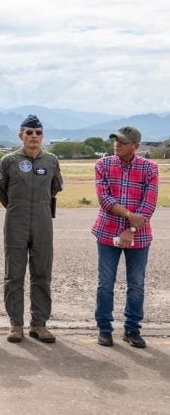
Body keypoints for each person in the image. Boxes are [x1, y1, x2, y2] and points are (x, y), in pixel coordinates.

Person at [0, 115, 63, 343]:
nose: (34, 137)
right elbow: (2, 191)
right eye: (29, 132)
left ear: (42, 135)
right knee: (14, 274)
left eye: (38, 133)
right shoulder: (9, 161)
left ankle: (39, 324)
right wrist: (18, 208)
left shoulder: (51, 161)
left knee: (42, 273)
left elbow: (54, 189)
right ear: (20, 135)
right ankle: (16, 325)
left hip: (43, 222)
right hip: (16, 221)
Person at [92, 126, 158, 348]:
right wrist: (130, 216)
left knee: (136, 284)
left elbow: (149, 204)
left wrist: (129, 230)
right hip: (107, 231)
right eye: (116, 140)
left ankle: (132, 330)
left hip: (138, 237)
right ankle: (105, 329)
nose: (117, 144)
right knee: (105, 284)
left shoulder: (150, 168)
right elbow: (105, 199)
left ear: (136, 146)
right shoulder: (102, 165)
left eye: (122, 141)